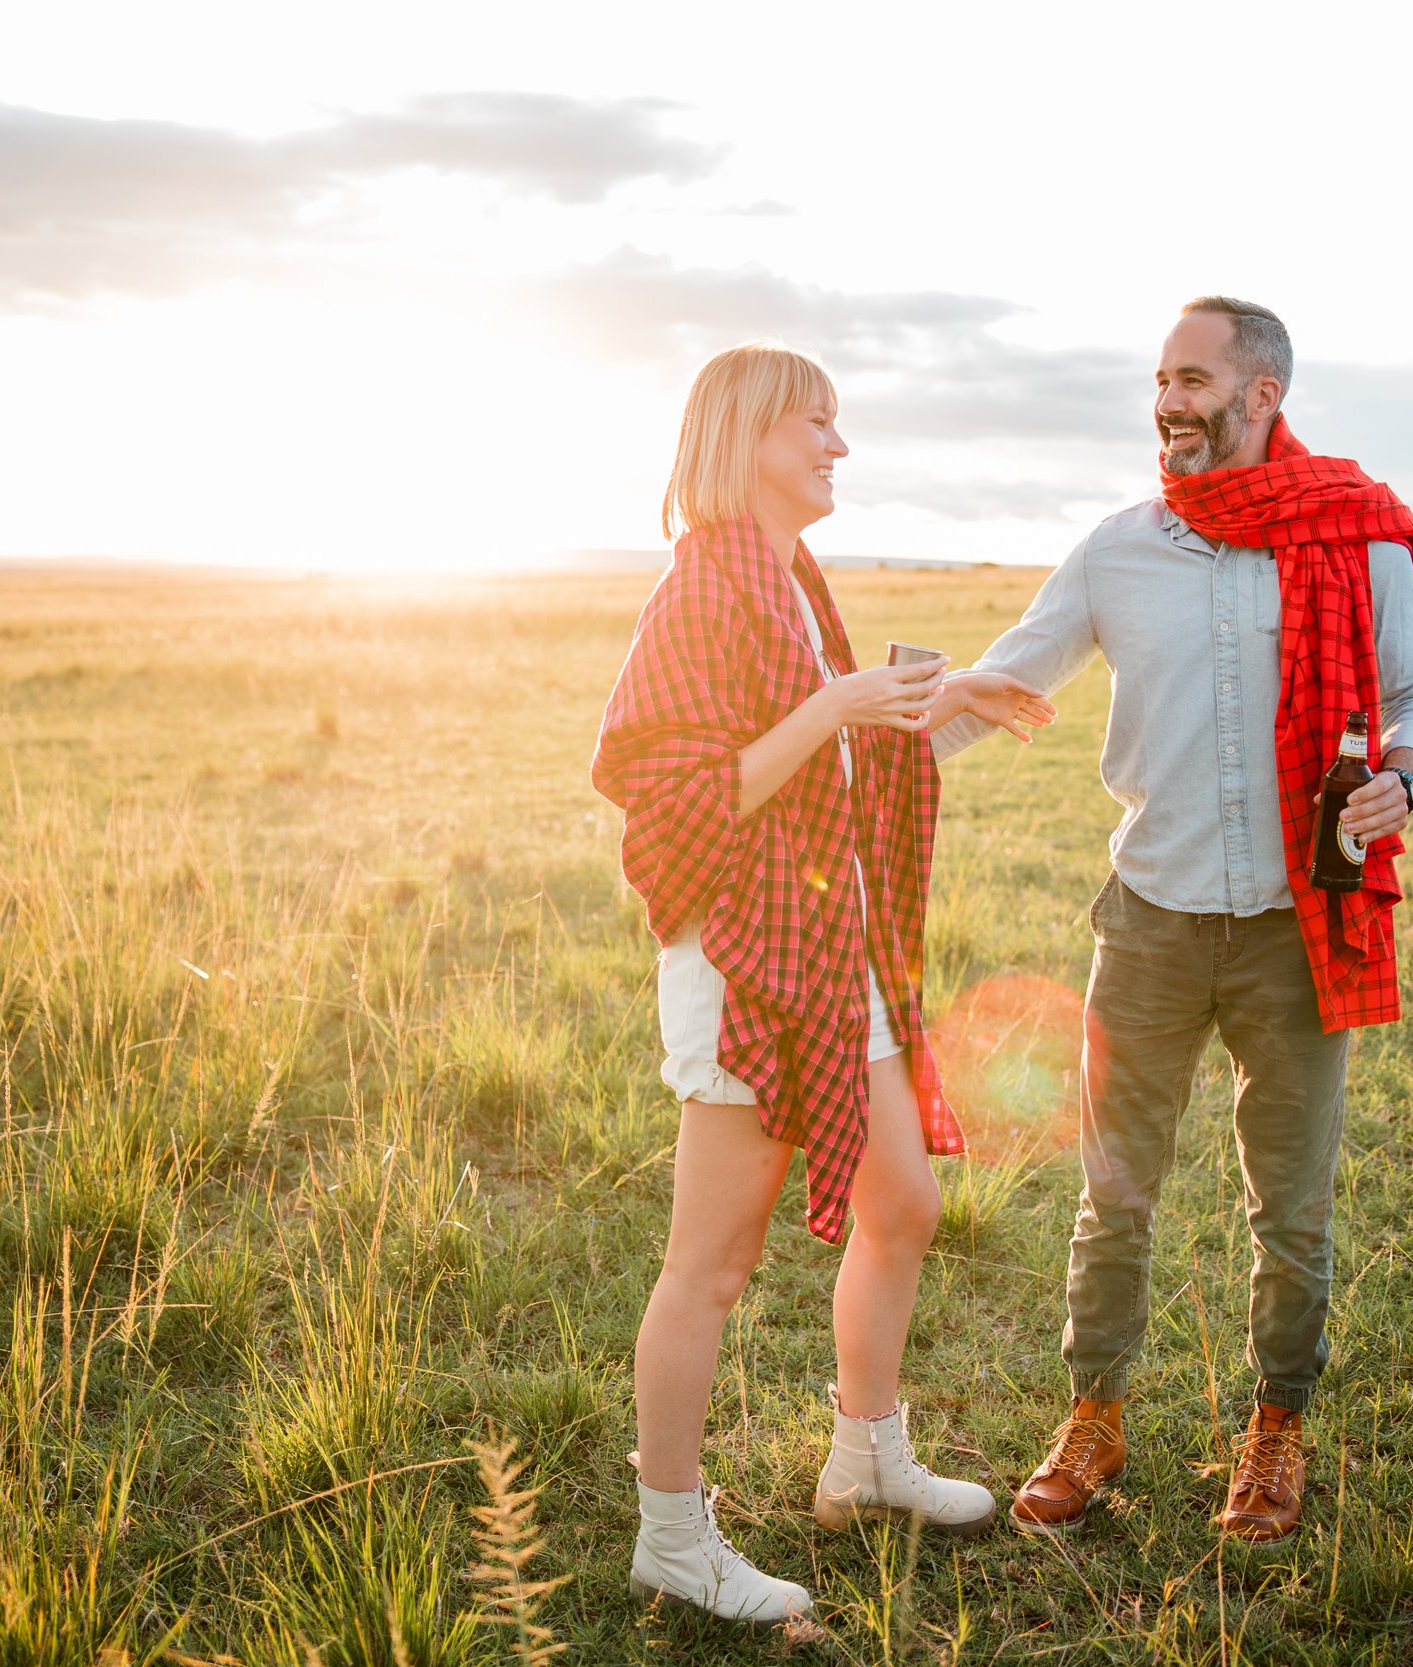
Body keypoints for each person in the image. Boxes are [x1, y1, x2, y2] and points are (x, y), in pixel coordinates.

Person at [935, 297, 1413, 1544]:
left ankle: (1275, 1429)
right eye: (1157, 380)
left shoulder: (1355, 536)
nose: (1165, 402)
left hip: (1297, 923)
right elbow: (998, 684)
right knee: (1112, 1191)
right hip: (1151, 924)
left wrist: (1408, 771)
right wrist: (852, 747)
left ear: (1260, 393)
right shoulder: (1116, 550)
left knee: (1293, 1204)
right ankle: (1094, 1413)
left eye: (1189, 379)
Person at [591, 342, 1055, 1624]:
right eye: (816, 424)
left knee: (902, 1200)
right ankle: (671, 1537)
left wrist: (934, 693)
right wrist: (836, 706)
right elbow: (683, 797)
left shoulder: (789, 575)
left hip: (825, 948)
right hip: (745, 959)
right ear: (745, 435)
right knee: (711, 1266)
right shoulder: (703, 583)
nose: (838, 445)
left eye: (839, 424)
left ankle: (865, 1459)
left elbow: (824, 748)